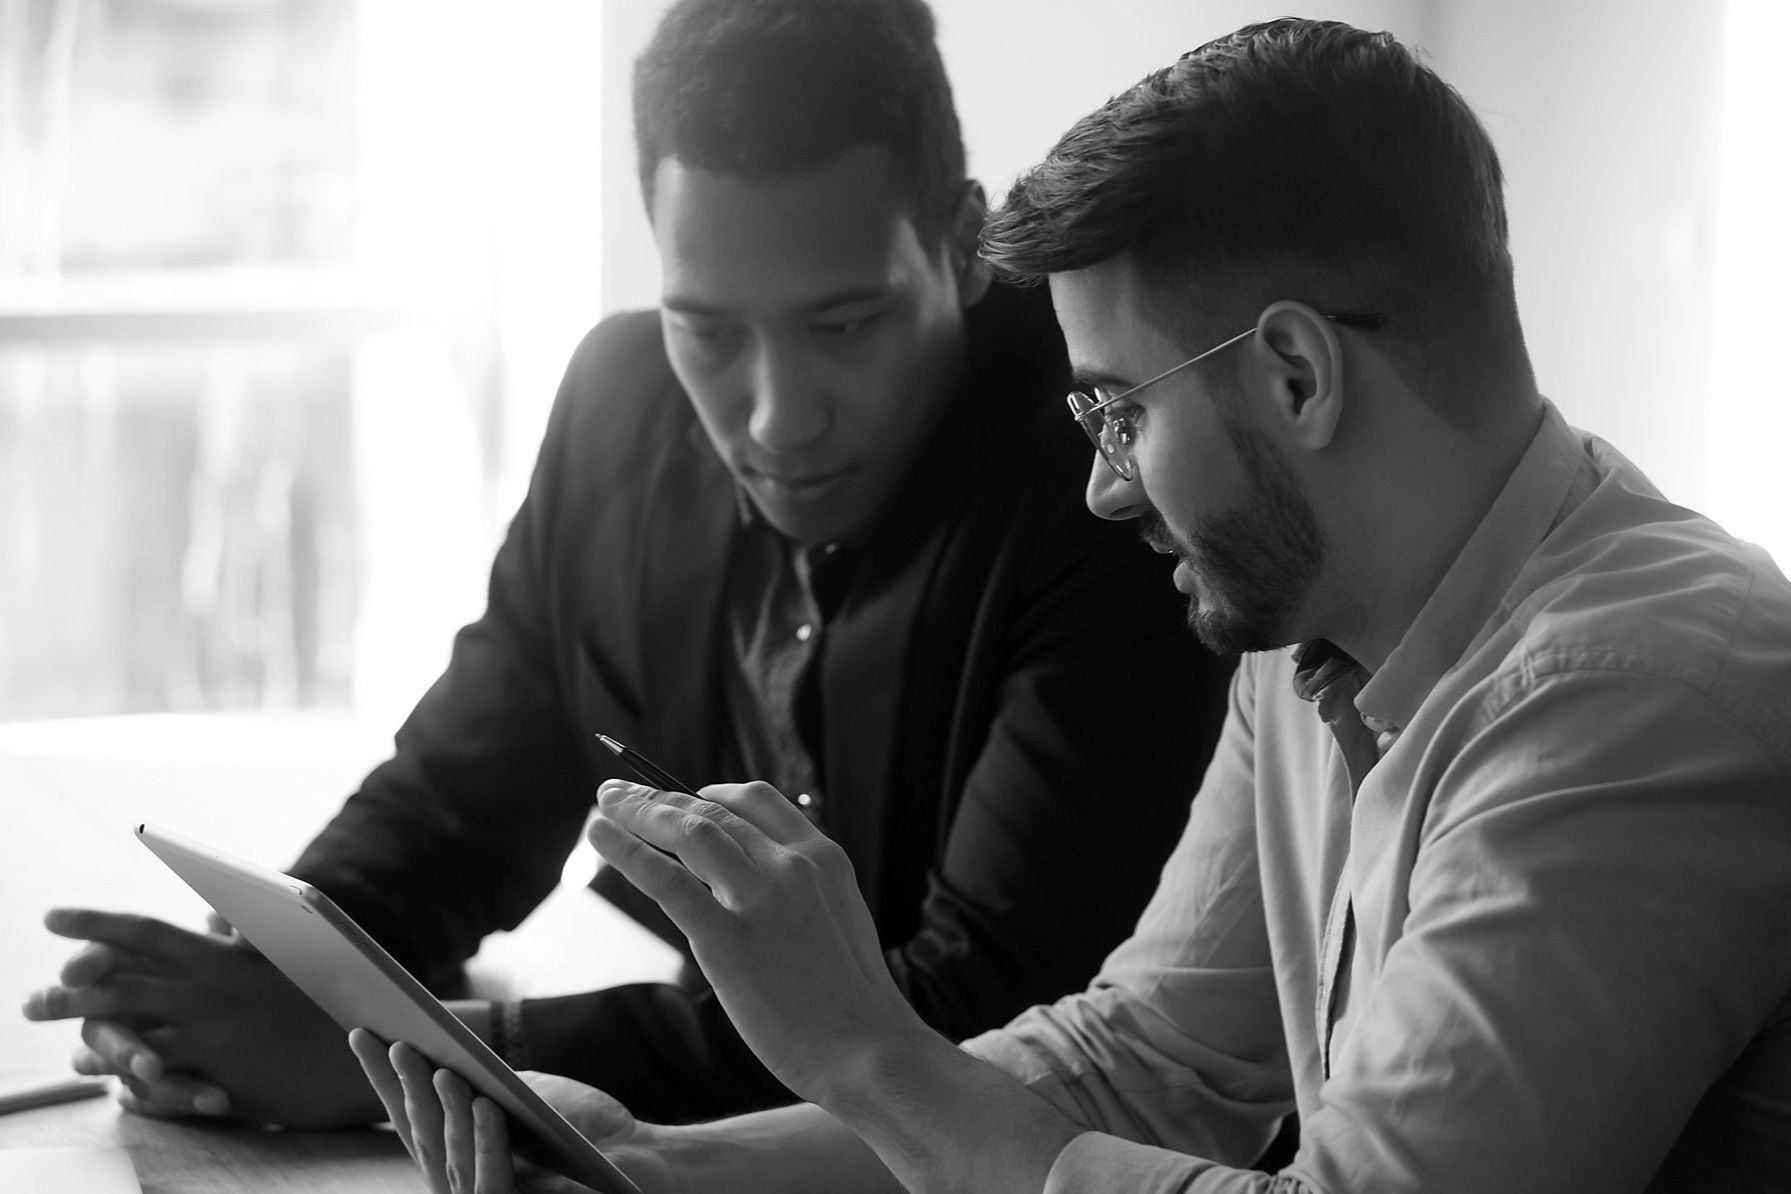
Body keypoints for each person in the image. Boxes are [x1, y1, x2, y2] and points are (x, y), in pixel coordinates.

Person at [354, 16, 1791, 1194]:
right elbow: (1145, 1058)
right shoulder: (1308, 641)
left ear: (1294, 376)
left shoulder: (1637, 689)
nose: (1103, 489)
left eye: (1116, 410)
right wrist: (658, 1164)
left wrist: (863, 1046)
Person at [22, 0, 1230, 1131]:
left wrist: (421, 1055)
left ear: (965, 247)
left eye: (845, 325)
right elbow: (456, 808)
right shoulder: (616, 403)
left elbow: (975, 1009)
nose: (773, 418)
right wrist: (258, 977)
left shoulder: (1111, 478)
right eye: (706, 329)